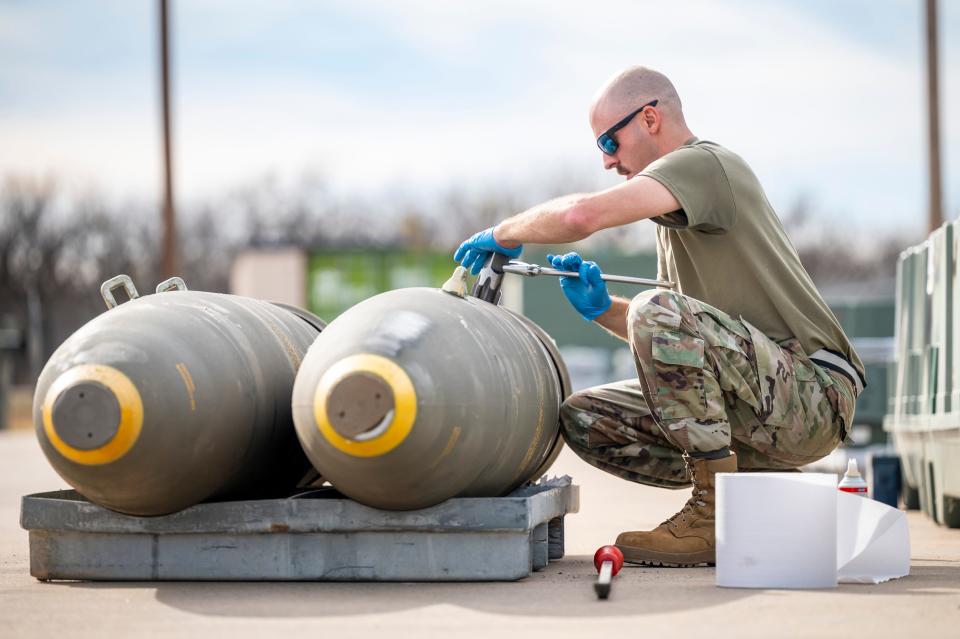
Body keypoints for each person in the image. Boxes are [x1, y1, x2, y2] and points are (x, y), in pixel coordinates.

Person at [454, 66, 865, 567]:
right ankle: (767, 504)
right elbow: (684, 350)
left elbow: (584, 217)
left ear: (650, 118)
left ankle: (714, 514)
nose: (607, 160)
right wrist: (604, 310)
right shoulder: (675, 217)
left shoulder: (705, 165)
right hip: (759, 399)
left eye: (610, 140)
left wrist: (507, 230)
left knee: (656, 309)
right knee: (586, 419)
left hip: (815, 393)